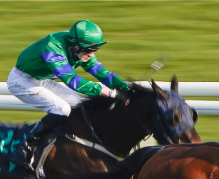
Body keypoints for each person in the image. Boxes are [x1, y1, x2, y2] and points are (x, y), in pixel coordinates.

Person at [8, 20, 132, 166]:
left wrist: (125, 88)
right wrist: (109, 93)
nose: (91, 54)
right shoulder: (53, 46)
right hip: (21, 81)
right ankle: (24, 145)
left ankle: (61, 142)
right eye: (88, 50)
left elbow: (102, 73)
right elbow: (71, 80)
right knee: (62, 109)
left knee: (78, 105)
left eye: (95, 50)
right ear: (75, 45)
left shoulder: (80, 50)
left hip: (41, 79)